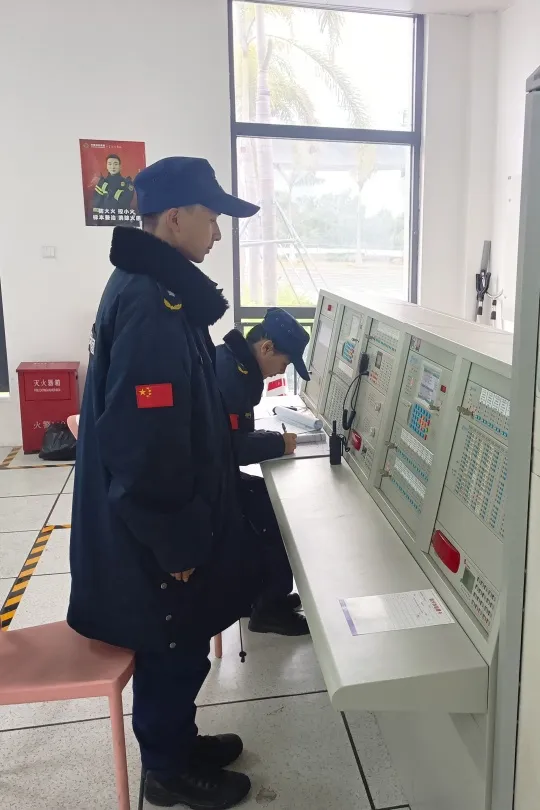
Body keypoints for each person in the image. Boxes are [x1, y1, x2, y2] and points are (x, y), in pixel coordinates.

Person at [68, 156, 263, 810]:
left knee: (184, 644)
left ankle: (179, 739)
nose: (218, 234)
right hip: (151, 532)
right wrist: (174, 542)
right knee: (173, 643)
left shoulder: (157, 291)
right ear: (176, 219)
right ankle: (167, 770)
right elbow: (145, 443)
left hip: (157, 520)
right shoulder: (151, 303)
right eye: (212, 219)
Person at [216, 309, 311, 636]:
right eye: (284, 363)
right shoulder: (232, 377)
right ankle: (268, 608)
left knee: (264, 497)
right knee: (270, 509)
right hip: (204, 482)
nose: (281, 372)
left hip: (210, 470)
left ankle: (261, 597)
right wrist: (277, 444)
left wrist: (272, 441)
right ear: (266, 348)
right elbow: (233, 448)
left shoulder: (232, 362)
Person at [91, 153, 134, 219]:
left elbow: (123, 203)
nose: (113, 167)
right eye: (110, 164)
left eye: (115, 164)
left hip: (122, 221)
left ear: (120, 166)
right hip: (104, 220)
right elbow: (96, 206)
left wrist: (104, 187)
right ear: (107, 166)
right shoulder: (101, 183)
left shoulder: (127, 183)